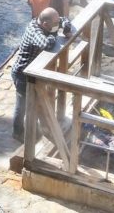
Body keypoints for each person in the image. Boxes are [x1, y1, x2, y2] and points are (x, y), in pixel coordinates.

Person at [11, 7, 74, 141]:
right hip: (22, 74)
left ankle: (44, 128)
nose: (58, 25)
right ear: (45, 24)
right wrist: (55, 33)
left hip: (34, 72)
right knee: (22, 105)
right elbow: (47, 44)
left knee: (38, 101)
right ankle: (17, 132)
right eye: (55, 24)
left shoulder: (45, 22)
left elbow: (63, 20)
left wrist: (65, 26)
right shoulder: (34, 31)